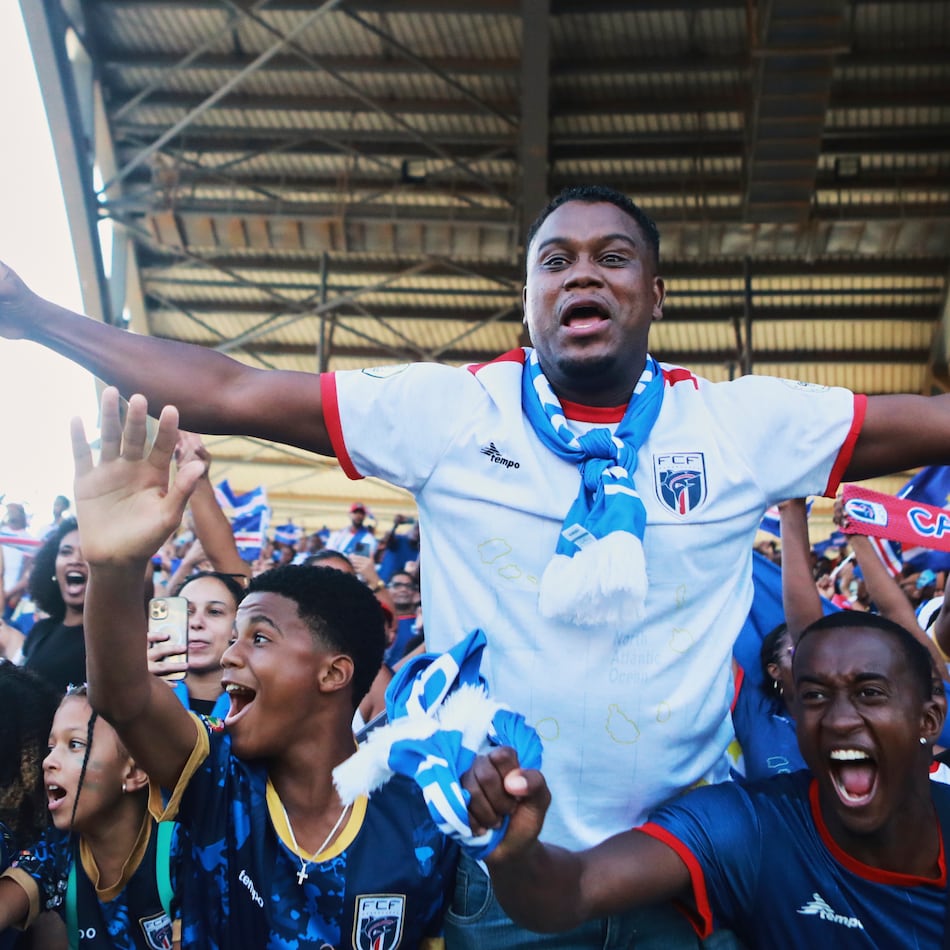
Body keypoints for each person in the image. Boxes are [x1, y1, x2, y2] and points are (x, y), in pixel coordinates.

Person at [5, 184, 950, 947]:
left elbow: (926, 421)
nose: (583, 273)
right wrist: (36, 314)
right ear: (530, 298)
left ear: (655, 293)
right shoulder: (453, 414)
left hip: (676, 867)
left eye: (613, 258)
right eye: (556, 261)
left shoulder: (740, 426)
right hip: (497, 869)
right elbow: (234, 389)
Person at [69, 389, 457, 948]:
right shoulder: (213, 776)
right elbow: (122, 697)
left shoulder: (419, 816)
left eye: (258, 637)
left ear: (333, 673)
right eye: (235, 637)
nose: (230, 653)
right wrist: (114, 567)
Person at [464, 611, 950, 948]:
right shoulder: (751, 827)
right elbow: (575, 890)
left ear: (929, 720)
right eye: (816, 697)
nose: (840, 720)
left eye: (869, 692)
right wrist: (514, 853)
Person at [0, 686, 175, 949]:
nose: (48, 761)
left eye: (74, 745)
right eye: (50, 746)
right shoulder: (58, 851)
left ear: (136, 771)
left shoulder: (178, 849)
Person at [20, 519, 87, 694]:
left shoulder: (111, 639)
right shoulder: (41, 630)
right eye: (66, 552)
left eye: (88, 552)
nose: (76, 560)